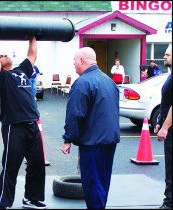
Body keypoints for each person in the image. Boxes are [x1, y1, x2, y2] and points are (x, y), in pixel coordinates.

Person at [0, 35, 46, 209]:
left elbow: (32, 54)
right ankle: (3, 203)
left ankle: (31, 198)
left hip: (32, 123)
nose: (4, 54)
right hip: (14, 125)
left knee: (37, 164)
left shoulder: (21, 70)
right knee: (11, 166)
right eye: (1, 55)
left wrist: (32, 36)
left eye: (5, 54)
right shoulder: (0, 77)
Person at [61, 47, 120, 209]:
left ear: (82, 60)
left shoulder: (82, 83)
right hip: (109, 141)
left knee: (92, 183)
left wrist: (68, 139)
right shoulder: (109, 81)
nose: (73, 64)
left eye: (74, 61)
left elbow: (75, 114)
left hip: (92, 142)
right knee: (103, 181)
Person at [154, 44, 172, 209]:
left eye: (167, 54)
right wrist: (160, 120)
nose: (164, 57)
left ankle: (169, 203)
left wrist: (165, 127)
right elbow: (167, 102)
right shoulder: (170, 76)